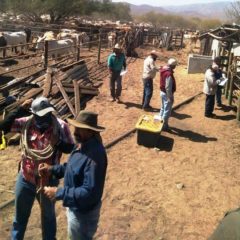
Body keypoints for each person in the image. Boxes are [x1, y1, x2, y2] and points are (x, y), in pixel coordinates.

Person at [0, 96, 74, 240]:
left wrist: (57, 142)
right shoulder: (26, 123)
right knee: (20, 217)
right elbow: (3, 126)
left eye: (47, 114)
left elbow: (70, 148)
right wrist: (20, 109)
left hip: (48, 180)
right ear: (33, 114)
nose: (45, 118)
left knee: (48, 217)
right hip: (26, 178)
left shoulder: (60, 126)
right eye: (41, 115)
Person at [38, 110, 108, 240]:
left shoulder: (94, 157)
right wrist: (52, 169)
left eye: (80, 128)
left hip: (83, 215)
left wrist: (59, 193)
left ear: (91, 131)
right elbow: (71, 168)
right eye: (76, 127)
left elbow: (89, 193)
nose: (75, 131)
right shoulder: (81, 145)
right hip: (75, 207)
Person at [159, 58, 177, 130]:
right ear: (172, 66)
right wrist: (170, 97)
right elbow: (168, 87)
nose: (175, 67)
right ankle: (164, 126)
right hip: (167, 94)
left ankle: (159, 122)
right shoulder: (168, 73)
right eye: (175, 65)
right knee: (167, 110)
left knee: (163, 108)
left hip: (162, 92)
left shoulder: (164, 69)